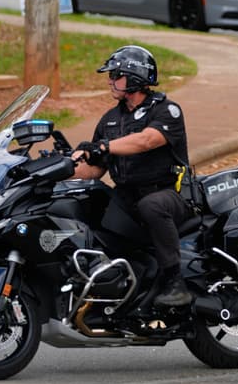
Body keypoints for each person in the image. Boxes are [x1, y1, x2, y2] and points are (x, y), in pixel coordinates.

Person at [73, 45, 194, 308]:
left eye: (116, 75)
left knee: (151, 206)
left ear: (135, 77)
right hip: (127, 196)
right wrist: (68, 163)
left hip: (170, 194)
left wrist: (103, 146)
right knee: (88, 207)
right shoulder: (110, 119)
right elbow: (95, 169)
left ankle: (175, 282)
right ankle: (114, 283)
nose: (110, 81)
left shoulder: (166, 110)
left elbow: (145, 141)